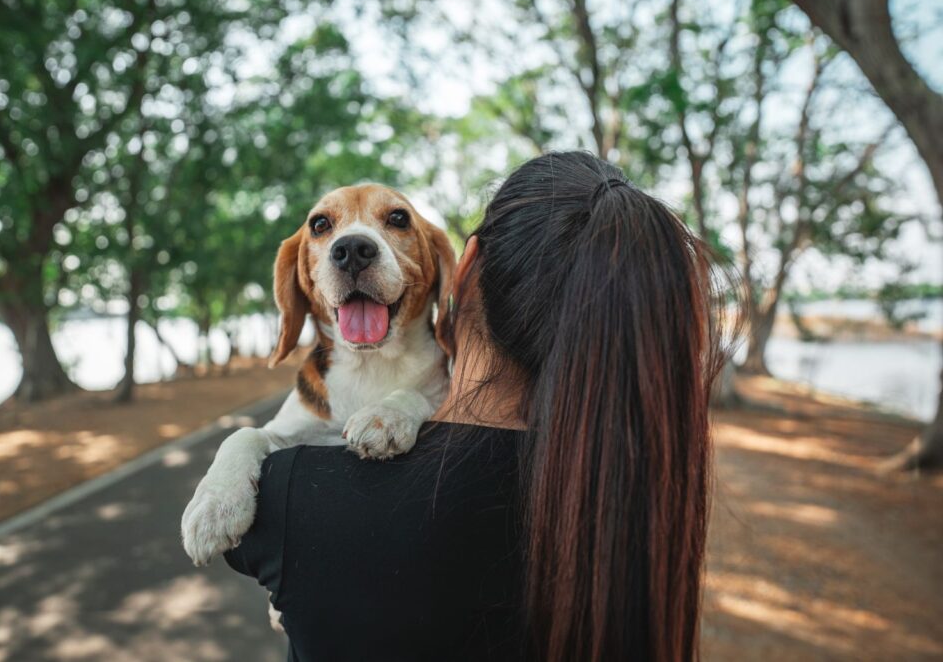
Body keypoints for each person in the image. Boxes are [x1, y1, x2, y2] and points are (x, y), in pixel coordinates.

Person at [224, 151, 734, 661]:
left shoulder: (290, 499)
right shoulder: (630, 499)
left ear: (459, 267)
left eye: (396, 220)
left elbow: (241, 539)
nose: (351, 245)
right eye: (323, 227)